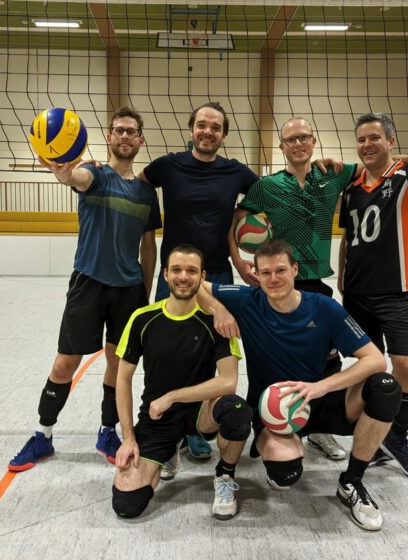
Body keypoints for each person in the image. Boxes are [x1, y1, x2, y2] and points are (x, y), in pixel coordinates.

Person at [199, 239, 401, 531]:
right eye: (265, 272)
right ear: (256, 275)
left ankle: (351, 482)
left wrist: (322, 387)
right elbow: (198, 286)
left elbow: (375, 359)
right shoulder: (248, 300)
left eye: (281, 270)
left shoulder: (324, 308)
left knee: (385, 387)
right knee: (285, 474)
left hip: (316, 397)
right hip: (272, 409)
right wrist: (219, 310)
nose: (273, 279)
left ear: (295, 269)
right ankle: (280, 455)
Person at [8, 107, 161, 471]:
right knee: (65, 363)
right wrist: (64, 172)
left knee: (117, 365)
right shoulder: (95, 173)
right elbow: (75, 178)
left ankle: (107, 432)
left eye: (131, 131)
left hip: (129, 290)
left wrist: (146, 292)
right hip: (88, 284)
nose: (125, 136)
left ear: (140, 140)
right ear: (109, 137)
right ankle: (43, 435)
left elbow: (148, 245)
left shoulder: (146, 193)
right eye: (119, 130)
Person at [229, 117, 357, 462]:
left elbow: (380, 163)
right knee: (275, 356)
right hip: (278, 282)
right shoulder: (265, 186)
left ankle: (318, 428)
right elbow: (236, 222)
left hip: (315, 284)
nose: (298, 144)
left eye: (303, 137)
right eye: (290, 139)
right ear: (282, 146)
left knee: (327, 361)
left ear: (313, 141)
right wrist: (239, 261)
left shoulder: (333, 175)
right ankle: (269, 417)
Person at [138, 101, 258, 460]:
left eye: (216, 127)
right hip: (175, 275)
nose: (208, 132)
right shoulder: (167, 166)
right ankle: (162, 424)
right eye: (202, 125)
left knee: (208, 355)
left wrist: (239, 250)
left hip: (216, 273)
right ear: (191, 129)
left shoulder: (236, 172)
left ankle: (192, 428)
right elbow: (133, 182)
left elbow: (270, 194)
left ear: (223, 135)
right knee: (164, 354)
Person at [337, 112, 408, 483]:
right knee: (367, 368)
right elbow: (349, 237)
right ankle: (369, 436)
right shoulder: (351, 188)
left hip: (398, 293)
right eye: (361, 139)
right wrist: (341, 277)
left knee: (406, 365)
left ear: (390, 141)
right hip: (357, 294)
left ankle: (397, 438)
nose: (367, 144)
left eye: (374, 137)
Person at [111, 245, 251, 520]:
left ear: (202, 277)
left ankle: (224, 476)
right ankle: (168, 450)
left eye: (191, 271)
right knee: (127, 504)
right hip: (157, 415)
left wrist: (173, 396)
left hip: (200, 411)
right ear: (165, 274)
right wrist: (128, 439)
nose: (183, 276)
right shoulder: (142, 318)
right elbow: (123, 380)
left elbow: (228, 382)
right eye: (176, 270)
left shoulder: (217, 323)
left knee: (237, 411)